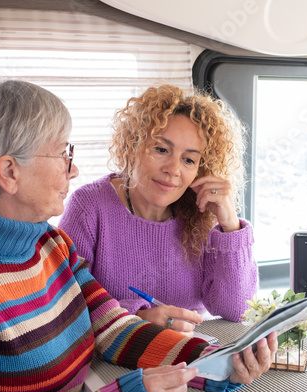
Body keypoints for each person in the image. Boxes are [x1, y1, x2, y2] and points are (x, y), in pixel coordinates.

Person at [0, 76, 276, 392]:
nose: (73, 170)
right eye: (62, 153)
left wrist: (216, 361)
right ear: (9, 173)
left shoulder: (48, 243)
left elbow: (111, 325)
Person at [59, 84, 256, 336]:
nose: (174, 169)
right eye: (161, 150)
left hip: (190, 352)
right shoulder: (89, 207)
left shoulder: (202, 212)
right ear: (133, 146)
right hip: (116, 357)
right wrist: (136, 317)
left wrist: (231, 227)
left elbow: (237, 310)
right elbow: (65, 307)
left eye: (189, 160)